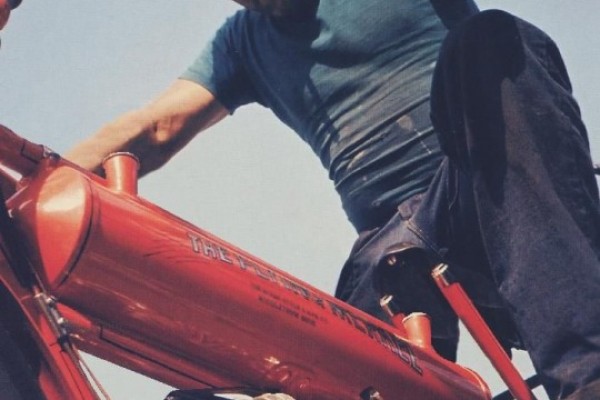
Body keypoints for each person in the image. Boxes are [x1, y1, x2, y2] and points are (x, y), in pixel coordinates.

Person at [66, 1, 600, 399]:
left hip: (485, 182)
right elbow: (157, 126)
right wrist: (42, 175)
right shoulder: (242, 42)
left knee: (491, 39)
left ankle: (588, 376)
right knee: (325, 371)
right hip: (390, 246)